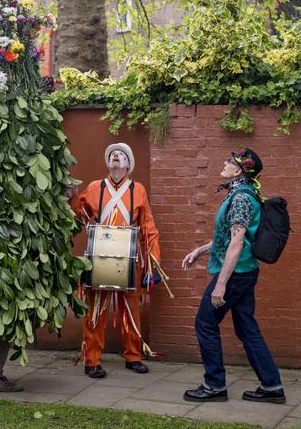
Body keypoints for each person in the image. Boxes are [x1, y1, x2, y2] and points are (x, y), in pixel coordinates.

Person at [182, 148, 285, 404]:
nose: (224, 163)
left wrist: (221, 284)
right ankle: (272, 386)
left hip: (235, 275)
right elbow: (229, 236)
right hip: (246, 272)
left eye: (229, 161)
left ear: (239, 170)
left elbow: (237, 243)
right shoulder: (243, 193)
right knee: (247, 328)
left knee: (205, 324)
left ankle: (214, 385)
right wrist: (201, 250)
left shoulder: (240, 197)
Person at [66, 143, 161, 378]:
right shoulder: (95, 187)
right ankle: (92, 360)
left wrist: (153, 262)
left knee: (131, 310)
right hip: (100, 254)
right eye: (112, 155)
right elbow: (79, 213)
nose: (116, 157)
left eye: (121, 155)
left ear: (128, 165)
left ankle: (133, 356)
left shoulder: (137, 189)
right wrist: (72, 198)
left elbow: (148, 227)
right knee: (96, 309)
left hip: (130, 257)